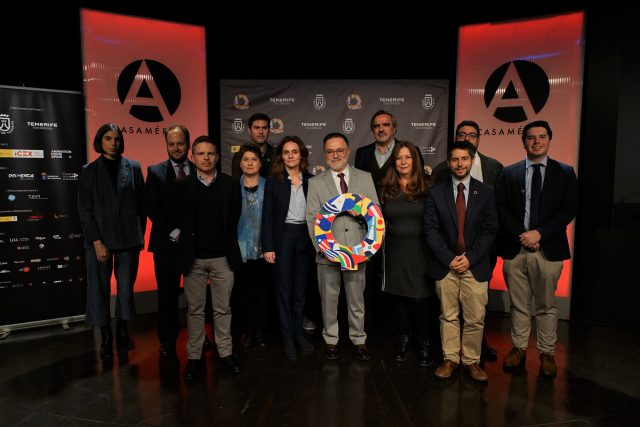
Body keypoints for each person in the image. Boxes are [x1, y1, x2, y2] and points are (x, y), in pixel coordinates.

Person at [495, 120, 578, 378]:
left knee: (546, 305)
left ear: (549, 140)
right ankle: (518, 348)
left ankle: (546, 353)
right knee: (519, 305)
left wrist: (540, 233)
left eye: (542, 136)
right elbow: (501, 209)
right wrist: (523, 235)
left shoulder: (565, 172)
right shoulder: (508, 173)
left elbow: (568, 210)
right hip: (516, 248)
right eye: (531, 137)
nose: (536, 141)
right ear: (524, 142)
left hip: (548, 249)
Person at [169, 135, 243, 380]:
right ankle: (194, 357)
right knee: (195, 311)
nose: (206, 158)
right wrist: (178, 236)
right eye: (201, 153)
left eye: (210, 153)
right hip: (194, 259)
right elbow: (173, 217)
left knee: (223, 309)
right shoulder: (182, 186)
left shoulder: (231, 185)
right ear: (192, 157)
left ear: (217, 157)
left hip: (223, 258)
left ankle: (225, 354)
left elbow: (235, 218)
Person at [424, 141, 498, 382]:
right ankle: (450, 359)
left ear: (472, 161)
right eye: (454, 160)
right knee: (448, 315)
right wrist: (449, 259)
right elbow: (431, 231)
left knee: (475, 317)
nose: (459, 164)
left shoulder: (485, 192)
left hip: (474, 266)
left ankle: (472, 361)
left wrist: (469, 259)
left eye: (464, 159)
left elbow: (489, 230)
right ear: (448, 163)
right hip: (446, 266)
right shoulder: (436, 193)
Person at [306, 132, 379, 361]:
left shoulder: (365, 178)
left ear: (347, 152)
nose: (335, 155)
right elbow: (311, 219)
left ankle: (359, 339)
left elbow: (375, 213)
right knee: (329, 299)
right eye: (330, 151)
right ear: (325, 154)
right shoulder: (316, 182)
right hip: (328, 252)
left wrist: (362, 222)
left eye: (339, 150)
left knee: (357, 298)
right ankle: (331, 339)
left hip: (357, 250)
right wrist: (323, 249)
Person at [78, 123, 145, 360]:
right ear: (100, 141)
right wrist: (96, 241)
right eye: (108, 138)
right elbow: (85, 210)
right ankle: (105, 336)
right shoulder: (89, 171)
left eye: (116, 139)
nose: (113, 143)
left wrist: (138, 235)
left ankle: (122, 332)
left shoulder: (134, 167)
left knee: (125, 289)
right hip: (99, 241)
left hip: (128, 240)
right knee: (100, 290)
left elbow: (141, 206)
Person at [378, 141, 435, 367]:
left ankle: (426, 344)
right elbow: (375, 220)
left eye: (408, 157)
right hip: (394, 253)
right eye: (399, 157)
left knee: (421, 300)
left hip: (422, 253)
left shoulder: (430, 186)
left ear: (416, 160)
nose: (403, 162)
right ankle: (403, 341)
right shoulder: (385, 188)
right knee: (399, 300)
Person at [143, 125, 194, 358]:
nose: (175, 148)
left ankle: (198, 338)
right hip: (166, 245)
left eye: (180, 143)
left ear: (188, 144)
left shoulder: (198, 169)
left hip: (194, 244)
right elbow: (152, 209)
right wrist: (175, 232)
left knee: (197, 296)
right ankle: (167, 340)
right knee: (167, 295)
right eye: (171, 144)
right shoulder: (154, 171)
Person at [262, 136, 315, 360]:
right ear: (281, 156)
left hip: (304, 237)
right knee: (283, 290)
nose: (291, 156)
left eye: (295, 151)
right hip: (283, 237)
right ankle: (287, 339)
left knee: (300, 290)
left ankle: (297, 334)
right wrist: (268, 246)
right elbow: (268, 215)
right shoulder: (274, 180)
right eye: (286, 152)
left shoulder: (312, 180)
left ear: (301, 155)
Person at [354, 110, 398, 327]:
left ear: (394, 128)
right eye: (376, 126)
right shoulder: (362, 153)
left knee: (394, 268)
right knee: (369, 272)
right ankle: (370, 319)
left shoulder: (406, 151)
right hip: (368, 222)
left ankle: (393, 320)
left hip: (397, 222)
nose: (381, 129)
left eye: (385, 125)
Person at [234, 144, 271, 348]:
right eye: (245, 159)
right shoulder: (232, 187)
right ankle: (247, 330)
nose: (249, 163)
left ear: (260, 163)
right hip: (239, 251)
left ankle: (261, 332)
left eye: (254, 159)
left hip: (264, 250)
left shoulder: (270, 186)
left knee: (263, 293)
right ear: (240, 163)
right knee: (244, 293)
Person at [231, 113, 275, 178]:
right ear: (249, 131)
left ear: (269, 130)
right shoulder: (239, 155)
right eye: (256, 128)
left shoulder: (276, 154)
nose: (261, 132)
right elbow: (236, 183)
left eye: (264, 128)